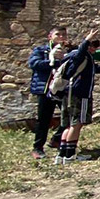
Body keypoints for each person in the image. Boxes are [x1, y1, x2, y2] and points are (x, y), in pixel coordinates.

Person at [55, 29, 100, 164]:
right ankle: (70, 155)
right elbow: (80, 53)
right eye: (92, 45)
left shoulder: (70, 56)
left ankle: (62, 154)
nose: (94, 49)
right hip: (80, 95)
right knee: (77, 123)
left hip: (68, 93)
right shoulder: (81, 55)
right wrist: (87, 39)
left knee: (69, 124)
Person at [28, 25, 69, 159]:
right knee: (44, 120)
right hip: (46, 89)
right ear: (50, 37)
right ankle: (38, 148)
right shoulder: (41, 50)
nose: (61, 37)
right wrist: (53, 62)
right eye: (58, 34)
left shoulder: (69, 51)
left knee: (69, 116)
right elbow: (34, 64)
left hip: (62, 89)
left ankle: (56, 139)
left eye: (63, 35)